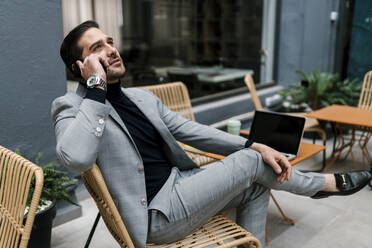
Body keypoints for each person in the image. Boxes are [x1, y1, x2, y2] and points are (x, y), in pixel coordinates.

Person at [52, 21, 371, 247]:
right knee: (251, 163)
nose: (111, 49)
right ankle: (323, 185)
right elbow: (76, 157)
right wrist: (96, 88)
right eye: (97, 47)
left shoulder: (141, 97)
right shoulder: (71, 106)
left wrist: (254, 142)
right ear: (80, 66)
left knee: (256, 183)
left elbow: (191, 130)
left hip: (181, 186)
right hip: (155, 215)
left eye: (110, 42)